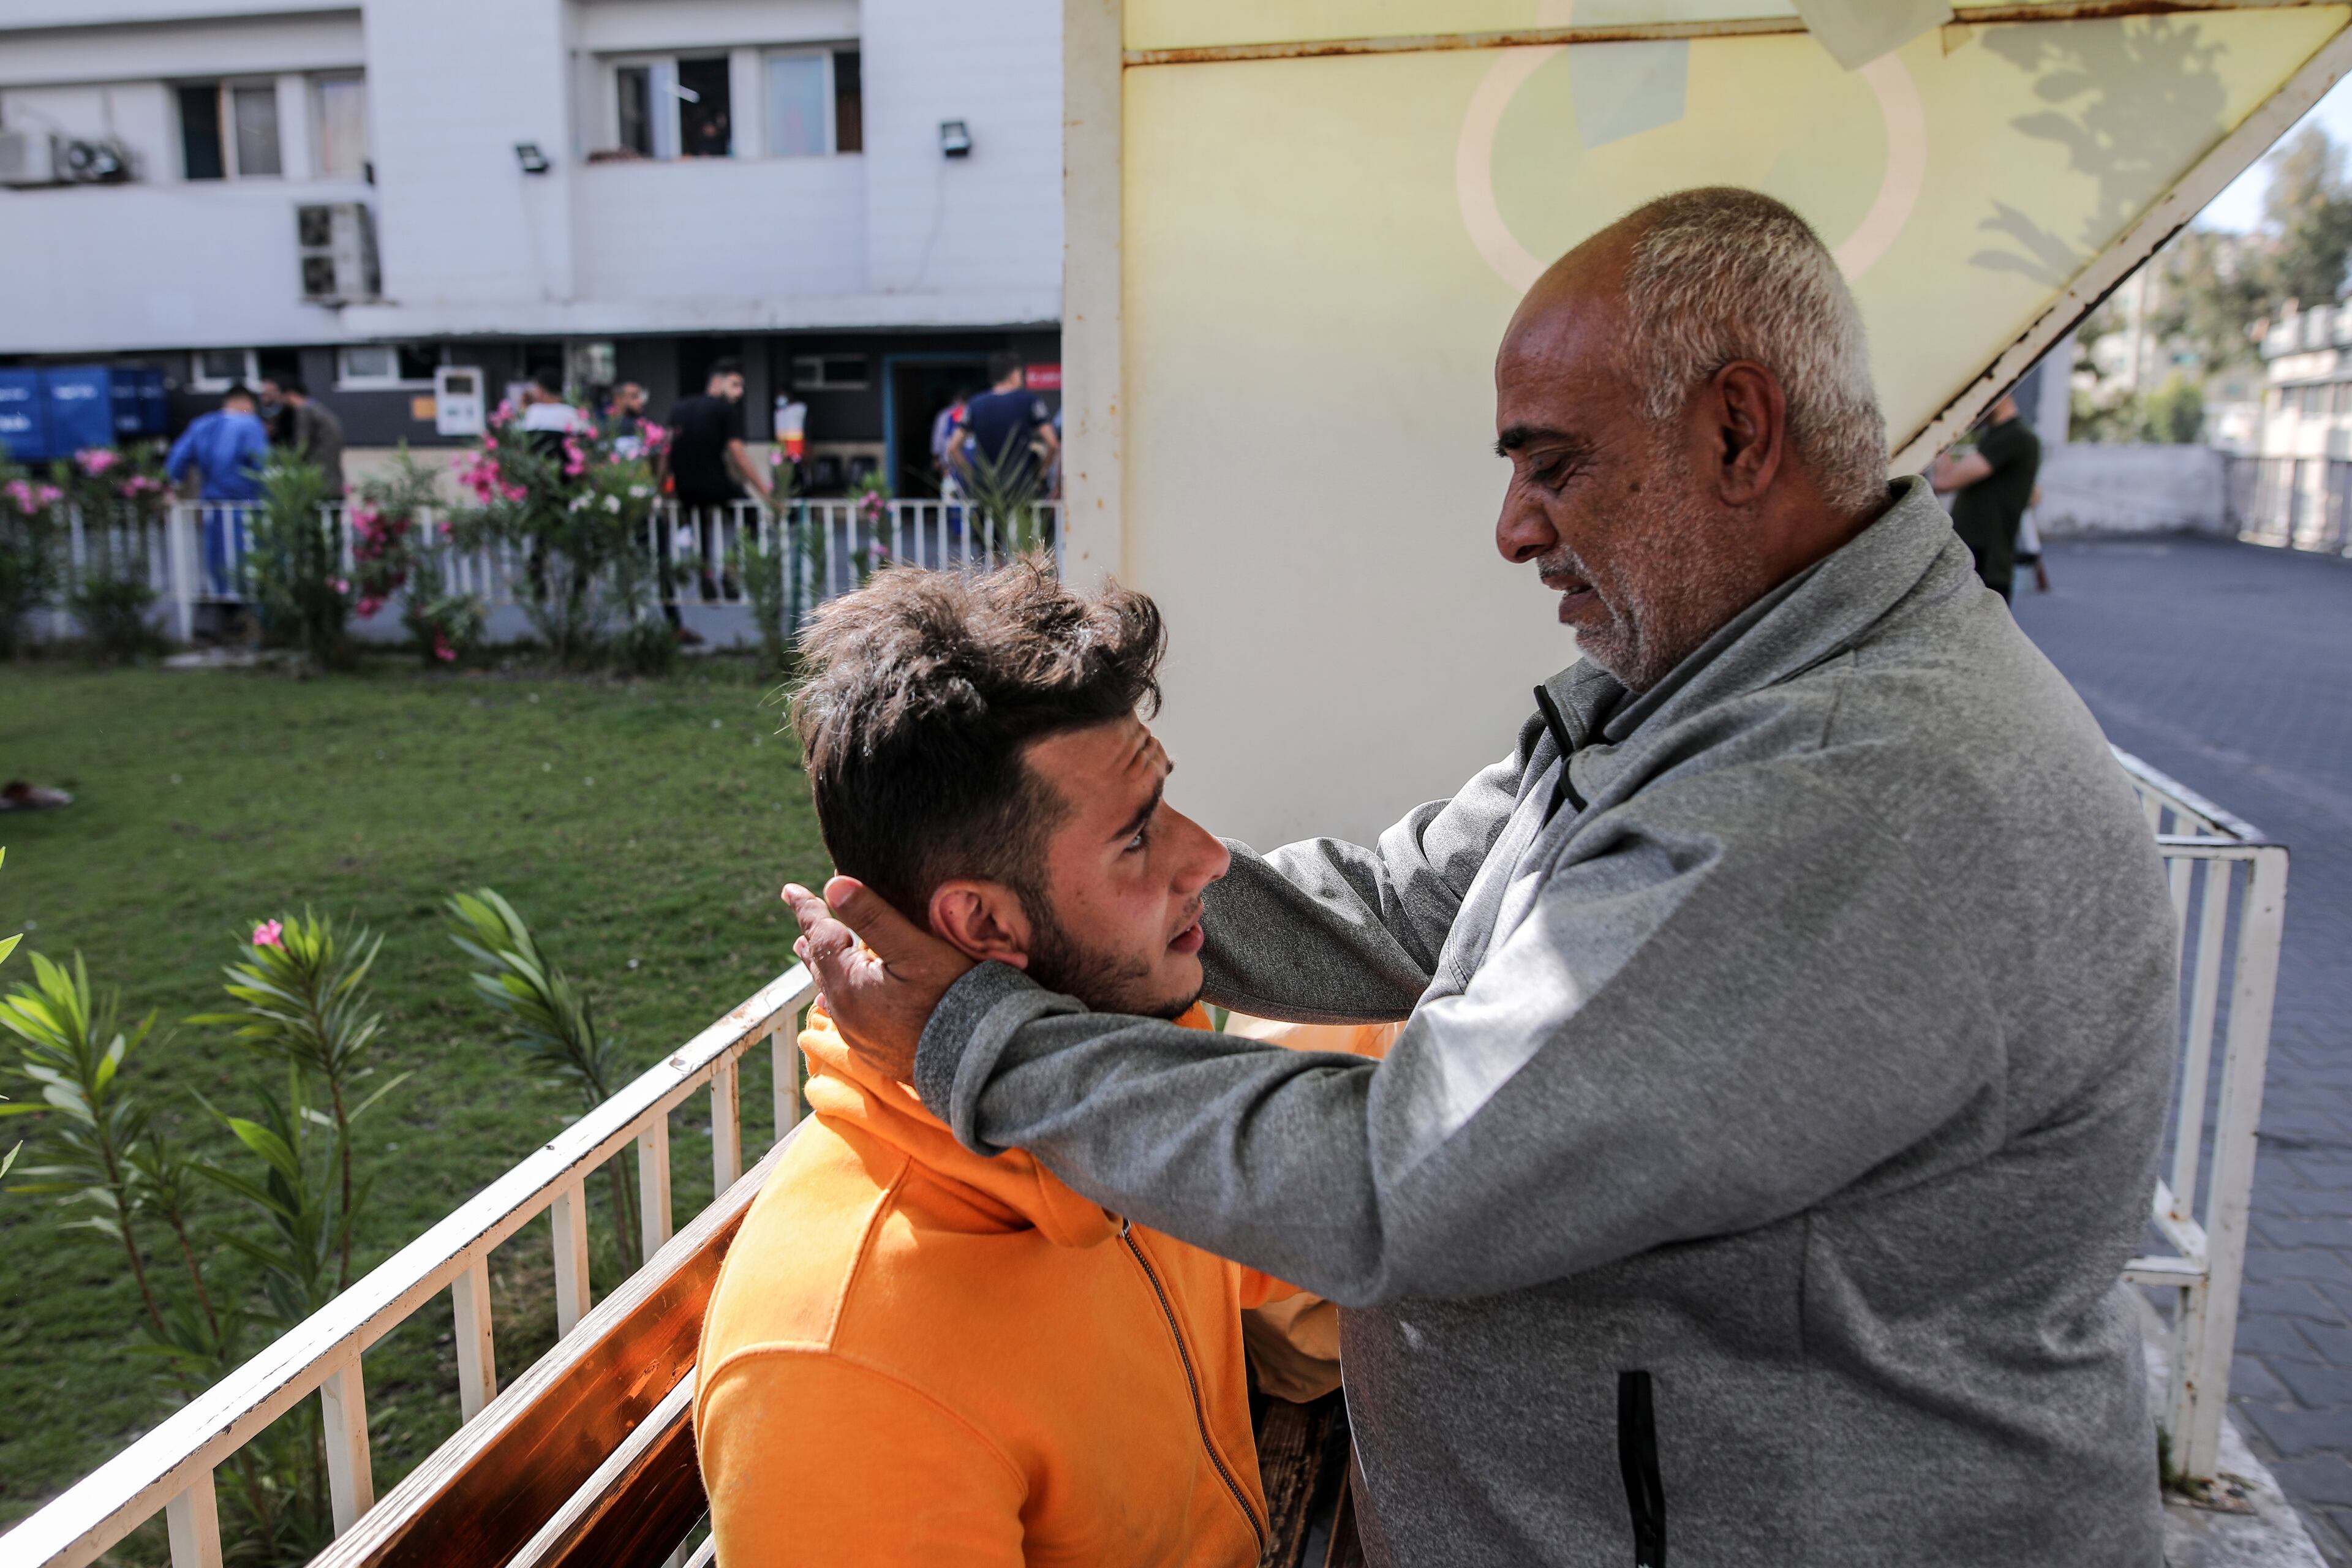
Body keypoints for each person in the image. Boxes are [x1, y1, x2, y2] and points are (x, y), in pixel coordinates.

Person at [786, 187, 2179, 1567]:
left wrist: (974, 1031)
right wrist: (1136, 908)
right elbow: (1404, 895)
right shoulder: (1718, 687)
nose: (1511, 528)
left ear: (1735, 433)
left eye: (1552, 464)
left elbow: (1403, 1182)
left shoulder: (1842, 780)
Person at [696, 562, 1294, 1566]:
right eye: (1138, 836)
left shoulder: (1118, 1091)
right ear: (983, 923)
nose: (1210, 858)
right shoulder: (844, 1367)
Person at [663, 358, 770, 619]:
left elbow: (665, 451)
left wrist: (661, 487)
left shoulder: (680, 408)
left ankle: (706, 573)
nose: (739, 393)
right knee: (751, 517)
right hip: (716, 483)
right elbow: (738, 455)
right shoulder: (725, 411)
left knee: (701, 529)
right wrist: (766, 493)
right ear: (717, 383)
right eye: (735, 385)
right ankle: (730, 572)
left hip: (685, 486)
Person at [1931, 390, 2043, 601]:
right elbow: (2033, 496)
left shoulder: (2014, 436)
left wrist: (1940, 436)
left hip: (1987, 560)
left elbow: (1944, 482)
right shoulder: (1997, 434)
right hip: (1979, 558)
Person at [165, 384, 272, 597]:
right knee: (247, 552)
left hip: (212, 501)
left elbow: (177, 460)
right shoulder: (249, 424)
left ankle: (222, 597)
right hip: (246, 501)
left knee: (217, 553)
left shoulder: (202, 424)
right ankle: (247, 602)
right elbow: (263, 463)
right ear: (246, 404)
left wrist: (174, 484)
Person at [948, 352, 1057, 499]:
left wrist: (974, 478)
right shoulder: (1029, 401)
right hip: (1021, 489)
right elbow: (1052, 443)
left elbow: (954, 447)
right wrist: (1039, 475)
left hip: (987, 490)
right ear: (1014, 374)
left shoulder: (975, 404)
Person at [260, 375, 345, 497]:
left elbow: (301, 445)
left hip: (320, 476)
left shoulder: (305, 411)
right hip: (332, 474)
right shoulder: (317, 408)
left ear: (290, 394)